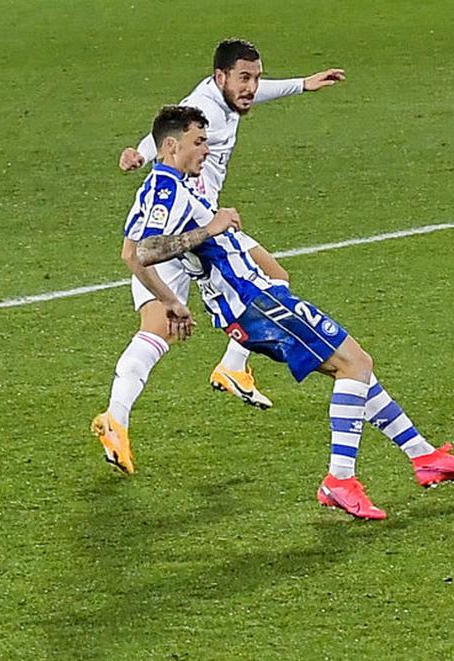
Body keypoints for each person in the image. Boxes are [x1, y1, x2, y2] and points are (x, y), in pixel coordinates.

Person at [102, 105, 454, 517]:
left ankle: (422, 456)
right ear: (172, 144)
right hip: (254, 302)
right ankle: (339, 480)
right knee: (354, 363)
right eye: (199, 142)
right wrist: (208, 231)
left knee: (355, 370)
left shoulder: (165, 185)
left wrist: (172, 301)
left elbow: (130, 253)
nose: (206, 151)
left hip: (254, 299)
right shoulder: (167, 190)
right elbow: (145, 251)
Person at [91, 39, 345, 475]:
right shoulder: (201, 107)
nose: (252, 88)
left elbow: (250, 94)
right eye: (244, 78)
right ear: (220, 77)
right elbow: (171, 138)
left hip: (196, 221)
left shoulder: (230, 98)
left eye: (256, 78)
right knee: (183, 319)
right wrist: (139, 152)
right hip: (189, 227)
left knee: (265, 278)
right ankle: (218, 372)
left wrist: (302, 85)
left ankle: (136, 409)